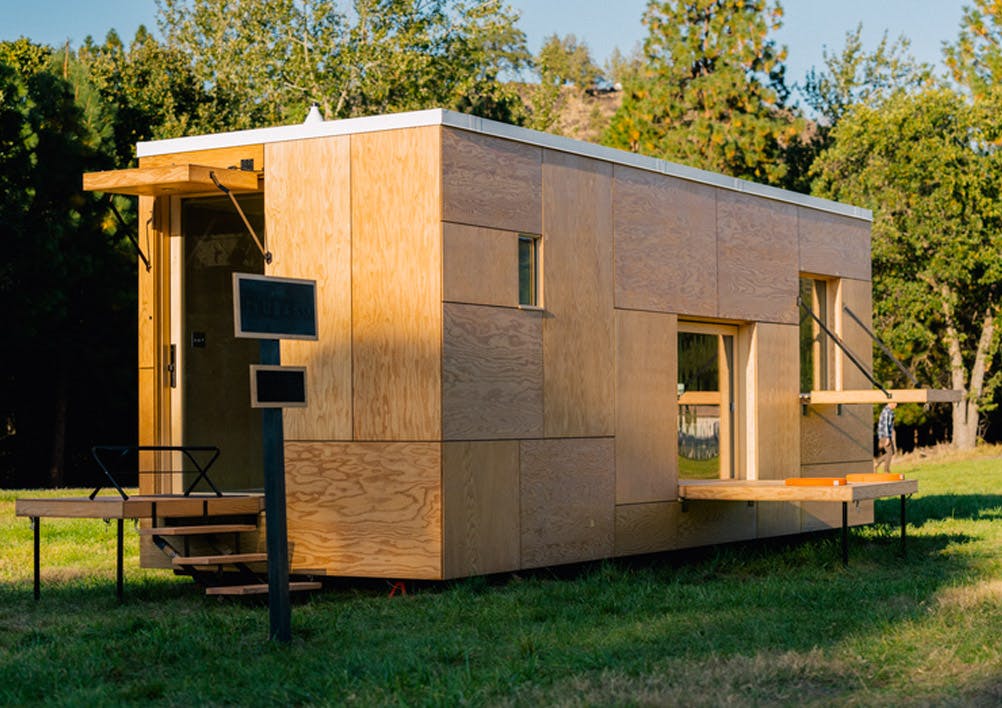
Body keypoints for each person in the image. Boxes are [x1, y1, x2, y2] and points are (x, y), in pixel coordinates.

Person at [875, 401, 897, 472]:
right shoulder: (886, 412)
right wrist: (887, 437)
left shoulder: (890, 412)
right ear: (891, 403)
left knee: (892, 452)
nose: (896, 405)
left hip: (886, 435)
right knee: (890, 453)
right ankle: (886, 470)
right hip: (885, 435)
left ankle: (877, 462)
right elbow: (885, 426)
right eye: (895, 403)